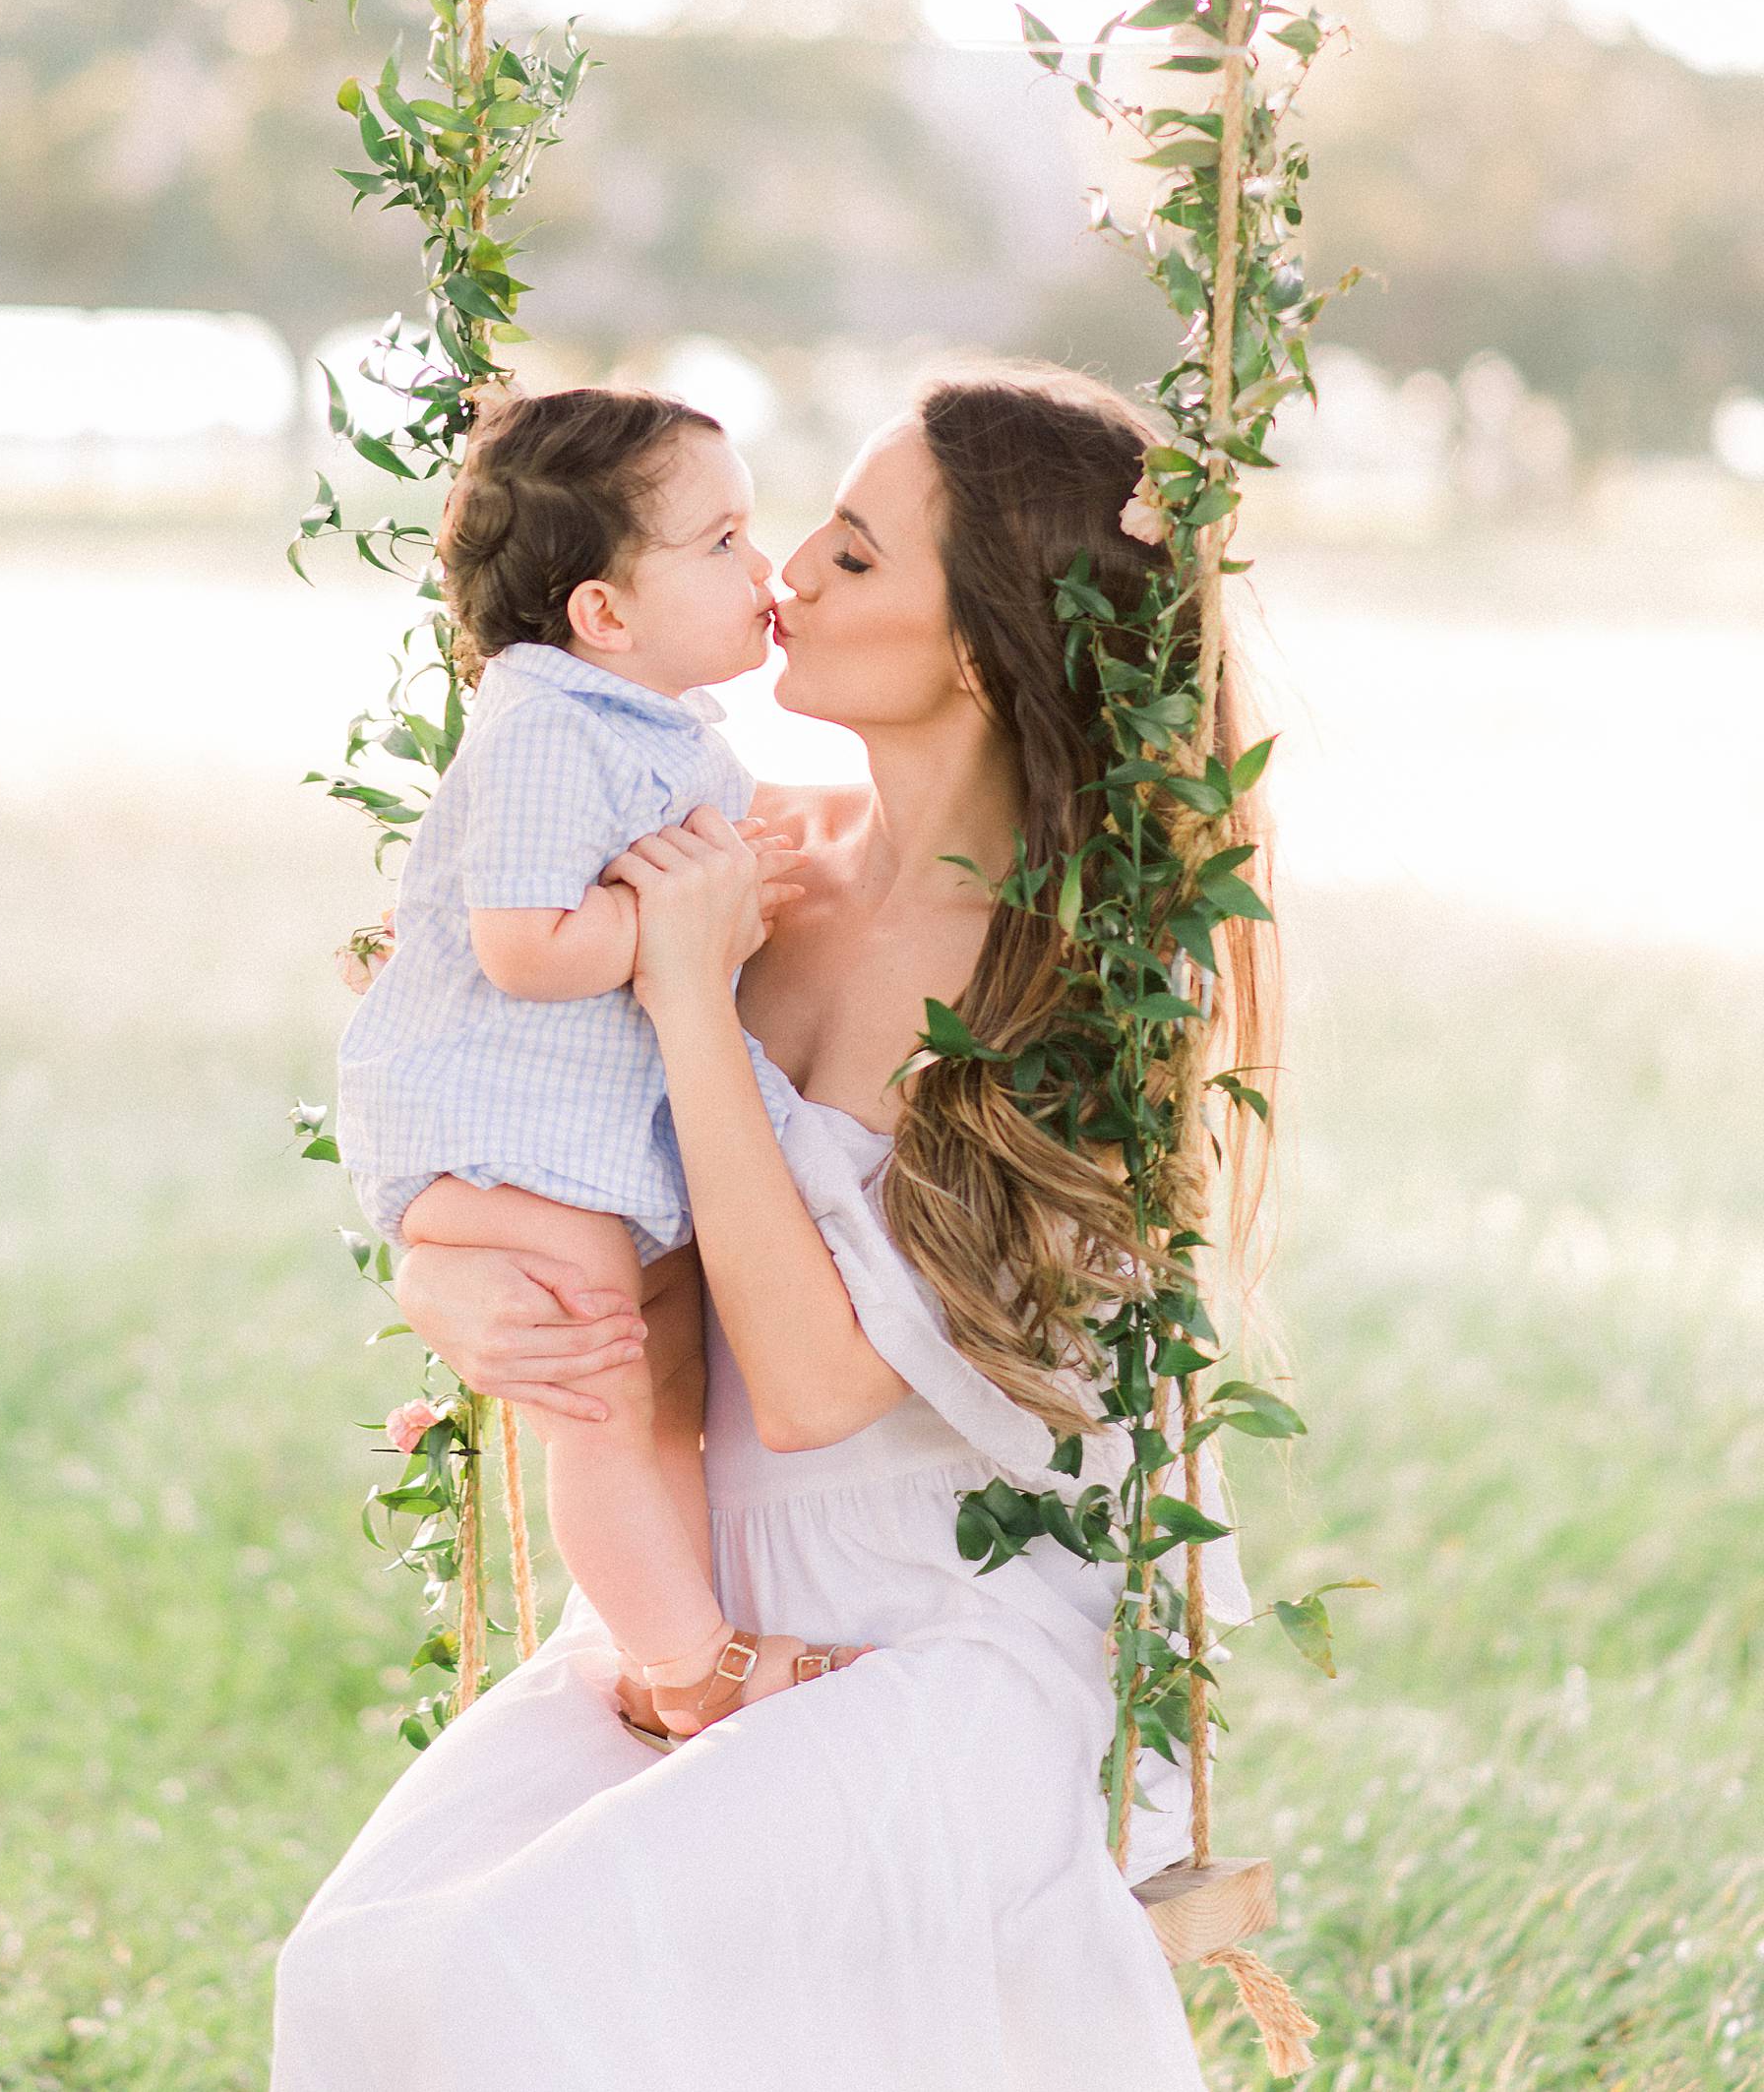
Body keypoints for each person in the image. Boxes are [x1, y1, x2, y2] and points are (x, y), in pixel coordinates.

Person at [274, 367, 1275, 2092]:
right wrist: (451, 1268)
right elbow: (477, 1076)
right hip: (705, 1610)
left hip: (937, 1634)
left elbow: (814, 1388)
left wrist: (685, 997)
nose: (791, 569)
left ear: (975, 647)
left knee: (543, 1959)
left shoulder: (1069, 981)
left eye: (860, 556)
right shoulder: (739, 852)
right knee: (374, 1966)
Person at [336, 383, 864, 1737]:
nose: (768, 569)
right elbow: (521, 947)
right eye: (725, 542)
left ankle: (673, 1636)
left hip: (570, 1148)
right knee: (611, 1396)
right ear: (603, 616)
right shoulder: (552, 728)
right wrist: (674, 921)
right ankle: (692, 1667)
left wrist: (730, 879)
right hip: (498, 1142)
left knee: (663, 1386)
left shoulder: (646, 727)